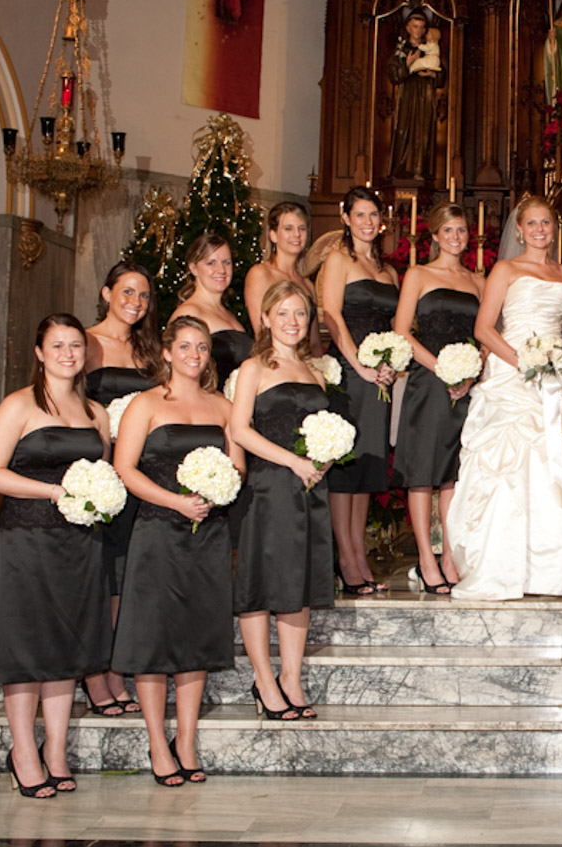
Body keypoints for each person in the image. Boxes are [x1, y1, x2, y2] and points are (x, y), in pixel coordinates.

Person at [0, 313, 112, 798]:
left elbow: (104, 476)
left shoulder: (97, 413)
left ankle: (55, 749)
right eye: (58, 346)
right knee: (26, 646)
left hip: (79, 544)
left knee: (65, 646)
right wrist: (53, 492)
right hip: (25, 541)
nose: (69, 354)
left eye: (76, 345)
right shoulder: (19, 406)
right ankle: (23, 752)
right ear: (39, 353)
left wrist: (95, 498)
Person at [448, 197, 562, 600]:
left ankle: (553, 570)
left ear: (556, 227)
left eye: (545, 222)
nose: (538, 230)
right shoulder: (505, 269)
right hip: (512, 374)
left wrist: (557, 360)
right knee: (509, 469)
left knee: (558, 465)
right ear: (519, 229)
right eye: (531, 223)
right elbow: (484, 328)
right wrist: (525, 363)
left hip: (554, 379)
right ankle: (503, 568)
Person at [111, 316, 241, 785]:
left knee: (195, 635)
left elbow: (237, 465)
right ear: (166, 352)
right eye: (185, 346)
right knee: (154, 637)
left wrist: (219, 488)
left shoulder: (222, 407)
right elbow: (124, 468)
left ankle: (185, 739)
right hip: (157, 530)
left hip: (207, 532)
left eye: (202, 348)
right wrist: (174, 501)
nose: (194, 355)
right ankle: (155, 740)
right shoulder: (144, 405)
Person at [228, 280, 335, 720]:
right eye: (284, 313)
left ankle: (291, 676)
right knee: (260, 584)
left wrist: (325, 458)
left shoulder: (317, 371)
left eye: (301, 314)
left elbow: (324, 430)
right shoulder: (255, 367)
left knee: (300, 584)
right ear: (266, 318)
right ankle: (264, 680)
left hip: (309, 488)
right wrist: (292, 462)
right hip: (270, 485)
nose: (293, 322)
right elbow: (239, 430)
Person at [392, 202, 484, 595]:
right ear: (434, 236)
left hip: (465, 385)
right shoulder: (418, 274)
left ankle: (449, 556)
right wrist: (442, 368)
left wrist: (470, 373)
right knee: (422, 473)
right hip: (429, 383)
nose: (455, 237)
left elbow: (485, 336)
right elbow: (401, 332)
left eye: (461, 230)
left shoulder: (478, 281)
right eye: (448, 230)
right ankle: (426, 560)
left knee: (452, 475)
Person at [82, 261, 160, 716]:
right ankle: (95, 673)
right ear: (107, 292)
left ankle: (115, 667)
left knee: (123, 574)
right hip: (98, 468)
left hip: (137, 470)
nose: (135, 303)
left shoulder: (148, 350)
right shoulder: (87, 342)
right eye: (127, 292)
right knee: (98, 573)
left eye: (144, 296)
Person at [317, 185, 401, 595]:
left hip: (380, 377)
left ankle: (359, 555)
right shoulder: (337, 260)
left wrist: (389, 364)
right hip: (349, 375)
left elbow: (396, 329)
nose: (368, 222)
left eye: (373, 215)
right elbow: (332, 316)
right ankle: (346, 561)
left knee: (368, 465)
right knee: (346, 466)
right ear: (346, 218)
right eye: (360, 215)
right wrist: (360, 366)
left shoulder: (389, 272)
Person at [169, 232, 252, 387]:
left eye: (226, 262)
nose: (221, 270)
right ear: (193, 268)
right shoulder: (189, 313)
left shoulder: (228, 314)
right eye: (211, 263)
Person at [244, 202, 319, 350]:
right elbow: (262, 334)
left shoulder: (308, 285)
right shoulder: (260, 274)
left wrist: (319, 368)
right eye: (288, 228)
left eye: (301, 228)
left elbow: (314, 342)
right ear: (273, 235)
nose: (296, 234)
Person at [387, 9, 445, 179]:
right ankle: (402, 169)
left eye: (421, 27)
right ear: (408, 28)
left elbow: (442, 73)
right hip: (407, 96)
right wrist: (408, 63)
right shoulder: (402, 48)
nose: (418, 31)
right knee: (404, 128)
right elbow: (393, 74)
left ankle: (421, 170)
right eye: (415, 26)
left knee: (423, 130)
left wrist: (433, 75)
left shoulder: (430, 48)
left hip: (425, 95)